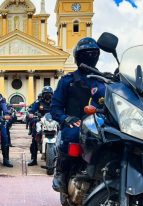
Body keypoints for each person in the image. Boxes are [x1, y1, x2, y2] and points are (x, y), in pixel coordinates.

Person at [51, 37, 105, 193]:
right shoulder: (68, 81)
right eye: (85, 54)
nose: (89, 57)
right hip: (75, 124)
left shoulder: (103, 81)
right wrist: (66, 118)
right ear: (77, 57)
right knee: (73, 136)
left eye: (93, 53)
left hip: (100, 125)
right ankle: (61, 172)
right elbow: (56, 107)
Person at [27, 86, 54, 166]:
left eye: (49, 94)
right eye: (46, 94)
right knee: (35, 138)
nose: (48, 95)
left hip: (53, 121)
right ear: (43, 94)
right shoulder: (39, 102)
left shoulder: (55, 102)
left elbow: (60, 109)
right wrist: (31, 113)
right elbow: (32, 110)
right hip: (41, 121)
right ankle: (34, 159)